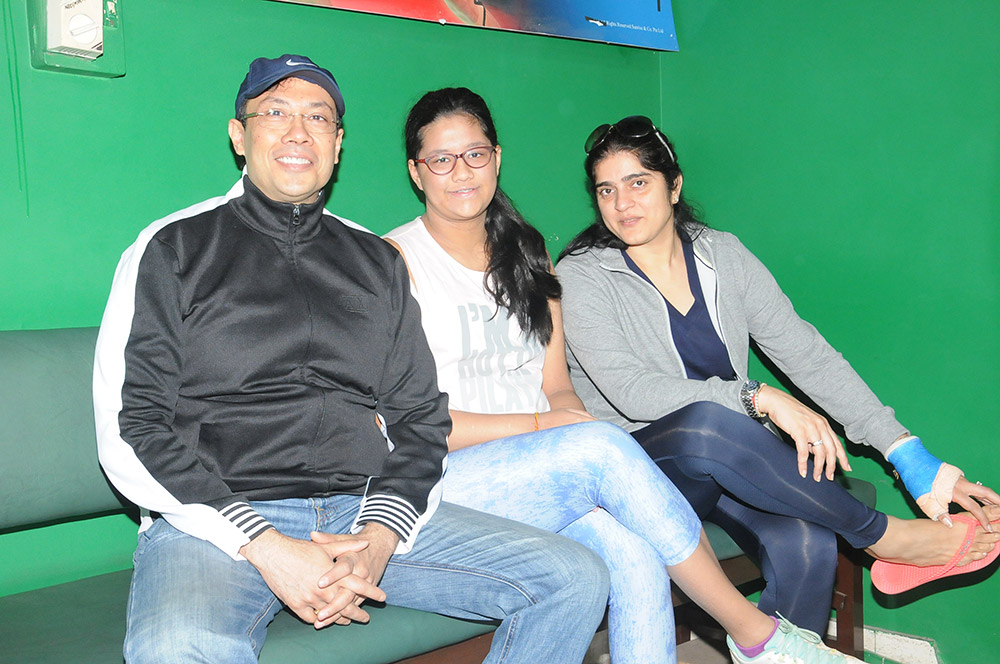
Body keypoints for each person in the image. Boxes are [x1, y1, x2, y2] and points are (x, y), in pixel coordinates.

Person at [92, 55, 613, 664]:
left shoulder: (375, 261)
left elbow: (420, 421)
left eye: (318, 117)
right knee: (176, 648)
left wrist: (380, 536)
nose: (298, 132)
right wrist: (262, 542)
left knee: (573, 578)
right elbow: (132, 428)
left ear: (337, 144)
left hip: (360, 509)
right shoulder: (172, 248)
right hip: (217, 518)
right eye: (275, 113)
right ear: (239, 135)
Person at [385, 87, 868, 664]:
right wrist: (553, 429)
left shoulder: (529, 253)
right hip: (449, 475)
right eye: (441, 159)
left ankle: (765, 638)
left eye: (475, 154)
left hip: (548, 462)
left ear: (497, 157)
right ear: (416, 172)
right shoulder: (392, 262)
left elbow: (556, 382)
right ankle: (759, 635)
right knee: (605, 445)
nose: (462, 171)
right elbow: (406, 422)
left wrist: (565, 420)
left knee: (637, 556)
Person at [556, 115, 1000, 632]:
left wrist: (908, 453)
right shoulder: (582, 275)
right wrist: (757, 396)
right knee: (706, 423)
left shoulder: (723, 254)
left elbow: (806, 354)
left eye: (638, 183)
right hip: (640, 467)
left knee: (809, 548)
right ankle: (885, 537)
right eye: (606, 190)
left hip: (726, 459)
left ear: (674, 186)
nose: (622, 204)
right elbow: (631, 391)